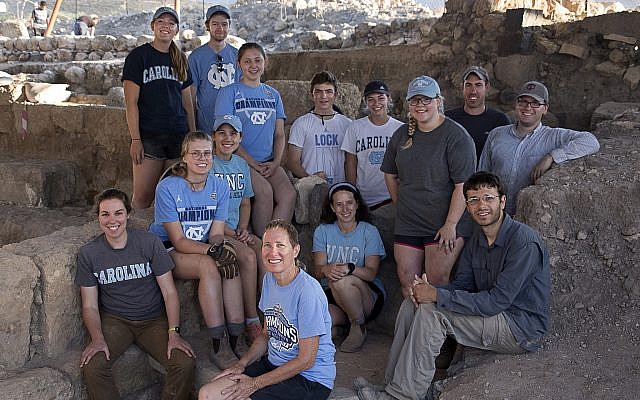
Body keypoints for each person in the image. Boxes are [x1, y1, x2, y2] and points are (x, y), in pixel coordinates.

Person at [355, 171, 551, 400]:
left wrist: (437, 295)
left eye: (488, 198)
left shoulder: (523, 242)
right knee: (413, 304)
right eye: (474, 200)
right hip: (492, 314)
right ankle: (393, 385)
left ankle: (403, 396)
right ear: (467, 206)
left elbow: (496, 302)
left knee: (432, 314)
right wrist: (423, 290)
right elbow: (463, 286)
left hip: (518, 326)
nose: (482, 206)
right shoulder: (477, 240)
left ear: (503, 201)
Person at [75, 188, 195, 400]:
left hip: (153, 319)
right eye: (105, 214)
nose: (112, 220)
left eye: (118, 213)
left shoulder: (149, 243)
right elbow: (89, 306)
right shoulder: (89, 254)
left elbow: (169, 292)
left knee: (184, 363)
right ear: (98, 218)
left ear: (128, 214)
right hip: (116, 321)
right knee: (93, 366)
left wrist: (173, 332)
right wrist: (97, 338)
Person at [198, 219, 336, 400]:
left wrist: (255, 384)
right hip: (274, 364)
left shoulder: (308, 292)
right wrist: (242, 363)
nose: (273, 252)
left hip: (309, 379)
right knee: (207, 394)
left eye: (280, 245)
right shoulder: (269, 280)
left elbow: (306, 360)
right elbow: (266, 334)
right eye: (267, 245)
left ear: (295, 250)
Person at [149, 131, 244, 370]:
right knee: (209, 265)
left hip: (202, 244)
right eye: (196, 153)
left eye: (207, 153)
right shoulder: (169, 188)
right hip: (169, 249)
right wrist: (211, 252)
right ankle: (218, 344)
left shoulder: (219, 186)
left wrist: (219, 247)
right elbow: (178, 241)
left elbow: (216, 232)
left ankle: (237, 335)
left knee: (229, 260)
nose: (202, 158)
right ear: (184, 158)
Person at [381, 75, 476, 297]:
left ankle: (437, 332)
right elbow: (389, 174)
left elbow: (464, 185)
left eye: (426, 100)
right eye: (415, 100)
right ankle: (415, 330)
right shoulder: (402, 134)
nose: (420, 105)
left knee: (436, 283)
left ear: (438, 101)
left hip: (443, 223)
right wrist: (400, 205)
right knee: (407, 282)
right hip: (409, 222)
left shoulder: (456, 137)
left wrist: (451, 224)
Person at [479, 80, 600, 215]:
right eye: (523, 101)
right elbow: (481, 175)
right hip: (494, 216)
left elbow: (590, 141)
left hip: (529, 219)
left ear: (545, 109)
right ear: (516, 105)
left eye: (535, 103)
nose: (528, 107)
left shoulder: (553, 137)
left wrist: (551, 156)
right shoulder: (497, 134)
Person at [215, 42, 296, 237]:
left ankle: (277, 240)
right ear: (239, 64)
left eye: (258, 60)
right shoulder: (229, 92)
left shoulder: (272, 94)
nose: (253, 65)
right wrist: (252, 163)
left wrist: (276, 162)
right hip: (242, 161)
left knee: (288, 194)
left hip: (268, 160)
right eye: (247, 61)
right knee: (265, 192)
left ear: (265, 62)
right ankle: (262, 242)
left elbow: (279, 134)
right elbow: (225, 134)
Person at [123, 7, 196, 209]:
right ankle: (134, 239)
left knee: (171, 196)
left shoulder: (180, 58)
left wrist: (192, 133)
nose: (166, 26)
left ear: (176, 30)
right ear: (153, 26)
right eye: (161, 21)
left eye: (171, 23)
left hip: (177, 137)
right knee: (142, 197)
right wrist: (136, 139)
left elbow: (187, 101)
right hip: (149, 137)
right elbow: (131, 102)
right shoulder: (139, 57)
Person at [312, 182, 386, 353]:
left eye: (349, 202)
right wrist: (325, 269)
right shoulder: (323, 231)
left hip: (364, 297)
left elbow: (371, 273)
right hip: (334, 298)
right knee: (316, 329)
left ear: (357, 204)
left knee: (341, 281)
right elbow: (317, 270)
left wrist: (350, 268)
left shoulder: (369, 231)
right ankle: (342, 329)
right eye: (339, 204)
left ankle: (359, 326)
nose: (345, 208)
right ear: (332, 207)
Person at [210, 114, 265, 344]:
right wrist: (235, 234)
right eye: (222, 133)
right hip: (215, 231)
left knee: (264, 249)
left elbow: (245, 202)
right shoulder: (209, 163)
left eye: (233, 133)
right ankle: (251, 319)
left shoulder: (241, 165)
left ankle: (271, 310)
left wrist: (243, 228)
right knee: (248, 257)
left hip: (235, 229)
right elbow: (209, 211)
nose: (227, 138)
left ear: (240, 138)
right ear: (213, 137)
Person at [341, 80, 403, 209]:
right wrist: (352, 193)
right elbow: (351, 162)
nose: (376, 104)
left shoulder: (400, 129)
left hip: (390, 197)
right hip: (364, 198)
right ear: (365, 101)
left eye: (381, 98)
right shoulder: (355, 127)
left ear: (389, 99)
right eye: (371, 99)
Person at [287, 70, 352, 185]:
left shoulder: (347, 124)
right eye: (318, 92)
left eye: (328, 91)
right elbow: (293, 162)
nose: (323, 96)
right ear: (311, 94)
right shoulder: (301, 124)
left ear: (336, 95)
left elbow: (352, 162)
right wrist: (311, 179)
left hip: (340, 190)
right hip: (311, 188)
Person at [189, 5, 241, 135]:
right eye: (215, 24)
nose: (220, 28)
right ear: (208, 26)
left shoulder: (238, 55)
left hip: (233, 125)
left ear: (229, 26)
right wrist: (192, 129)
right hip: (206, 125)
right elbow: (191, 97)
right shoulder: (196, 57)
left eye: (224, 24)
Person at [445, 66, 510, 162]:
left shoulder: (499, 120)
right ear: (462, 87)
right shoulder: (449, 118)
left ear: (487, 87)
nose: (473, 91)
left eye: (478, 85)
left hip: (486, 175)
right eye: (468, 85)